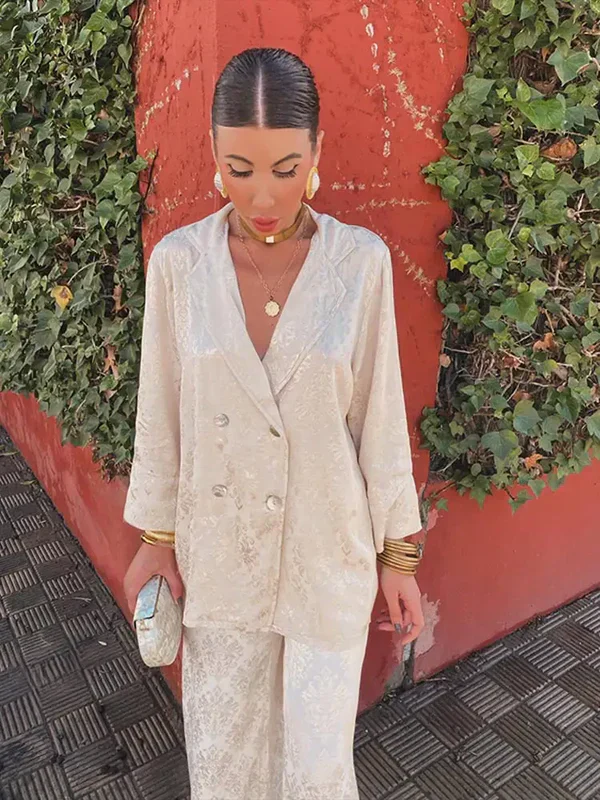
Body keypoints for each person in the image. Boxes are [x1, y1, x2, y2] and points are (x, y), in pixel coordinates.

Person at [122, 46, 425, 800]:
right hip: (220, 558)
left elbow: (380, 415)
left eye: (287, 169)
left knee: (318, 769)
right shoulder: (180, 266)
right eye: (240, 168)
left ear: (317, 151)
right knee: (224, 763)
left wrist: (398, 556)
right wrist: (155, 539)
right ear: (213, 153)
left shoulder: (359, 264)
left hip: (328, 554)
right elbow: (160, 412)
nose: (263, 195)